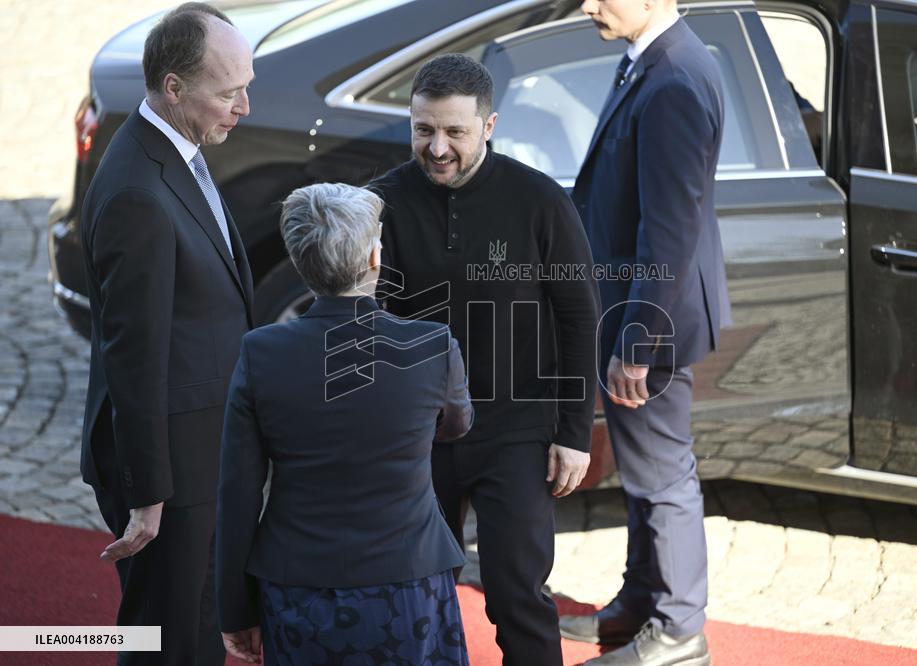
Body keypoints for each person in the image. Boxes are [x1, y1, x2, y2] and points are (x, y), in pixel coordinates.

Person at [371, 54, 600, 665]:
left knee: (517, 595)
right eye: (423, 130)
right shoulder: (379, 203)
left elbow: (580, 319)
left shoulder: (539, 201)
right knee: (413, 596)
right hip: (417, 438)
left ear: (489, 125)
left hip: (516, 431)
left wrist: (574, 433)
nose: (437, 147)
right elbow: (358, 325)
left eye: (455, 132)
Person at [215, 182, 473, 665]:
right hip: (408, 581)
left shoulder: (261, 352)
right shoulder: (432, 345)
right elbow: (456, 426)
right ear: (376, 257)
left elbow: (237, 492)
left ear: (299, 261)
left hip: (297, 587)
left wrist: (233, 609)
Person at [78, 3, 254, 664]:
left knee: (192, 633)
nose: (245, 105)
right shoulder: (136, 196)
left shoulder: (171, 147)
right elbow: (135, 356)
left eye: (249, 83)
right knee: (168, 643)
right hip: (171, 474)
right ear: (173, 88)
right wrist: (149, 496)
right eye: (228, 91)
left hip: (200, 447)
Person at [558, 1, 731, 665]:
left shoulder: (675, 80)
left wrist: (637, 343)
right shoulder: (654, 60)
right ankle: (642, 601)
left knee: (662, 476)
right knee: (643, 471)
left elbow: (669, 229)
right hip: (632, 306)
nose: (587, 6)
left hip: (646, 319)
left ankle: (680, 633)